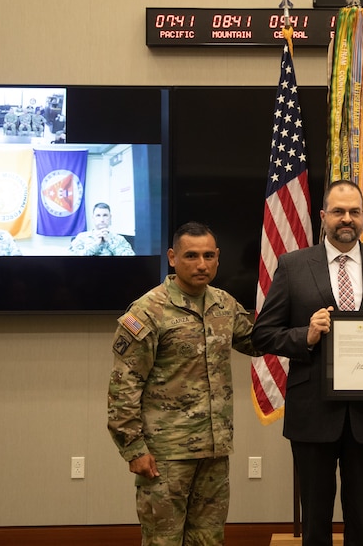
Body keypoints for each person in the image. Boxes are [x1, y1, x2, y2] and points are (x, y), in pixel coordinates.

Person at [252, 179, 363, 546]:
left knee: (362, 518)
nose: (347, 219)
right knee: (315, 520)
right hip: (312, 413)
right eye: (338, 211)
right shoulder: (293, 266)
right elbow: (263, 334)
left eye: (355, 212)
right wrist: (304, 336)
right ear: (323, 216)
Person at [107, 221, 263, 545]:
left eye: (208, 255)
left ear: (218, 257)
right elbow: (124, 386)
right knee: (163, 541)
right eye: (191, 255)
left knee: (208, 540)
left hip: (214, 451)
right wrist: (133, 448)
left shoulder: (224, 304)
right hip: (166, 455)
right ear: (173, 258)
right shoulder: (149, 310)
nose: (202, 264)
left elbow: (257, 343)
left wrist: (306, 328)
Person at [69, 202, 135, 255]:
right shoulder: (82, 237)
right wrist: (96, 245)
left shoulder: (119, 239)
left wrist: (110, 242)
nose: (102, 219)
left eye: (105, 215)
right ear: (93, 218)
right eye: (98, 215)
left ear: (110, 217)